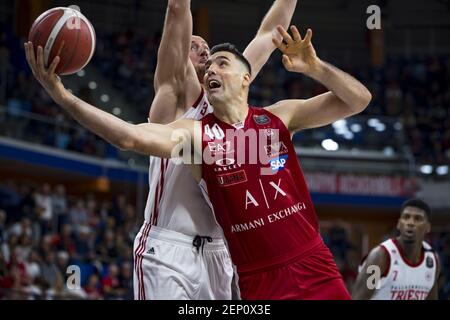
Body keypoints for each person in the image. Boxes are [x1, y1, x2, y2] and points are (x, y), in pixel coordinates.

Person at [24, 22, 372, 299]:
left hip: (312, 263)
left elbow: (357, 101)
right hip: (256, 279)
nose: (210, 70)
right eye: (207, 67)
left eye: (222, 63)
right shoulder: (195, 136)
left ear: (246, 77)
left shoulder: (279, 117)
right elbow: (128, 137)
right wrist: (62, 96)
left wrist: (316, 68)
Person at [136, 0, 298, 300]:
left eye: (209, 50)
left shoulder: (227, 105)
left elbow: (268, 34)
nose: (204, 51)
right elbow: (176, 10)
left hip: (219, 253)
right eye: (194, 45)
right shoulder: (171, 99)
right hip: (170, 246)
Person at [352, 198, 440, 300]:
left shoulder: (432, 261)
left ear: (428, 227)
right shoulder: (380, 258)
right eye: (406, 217)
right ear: (399, 224)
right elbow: (359, 297)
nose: (410, 223)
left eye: (418, 219)